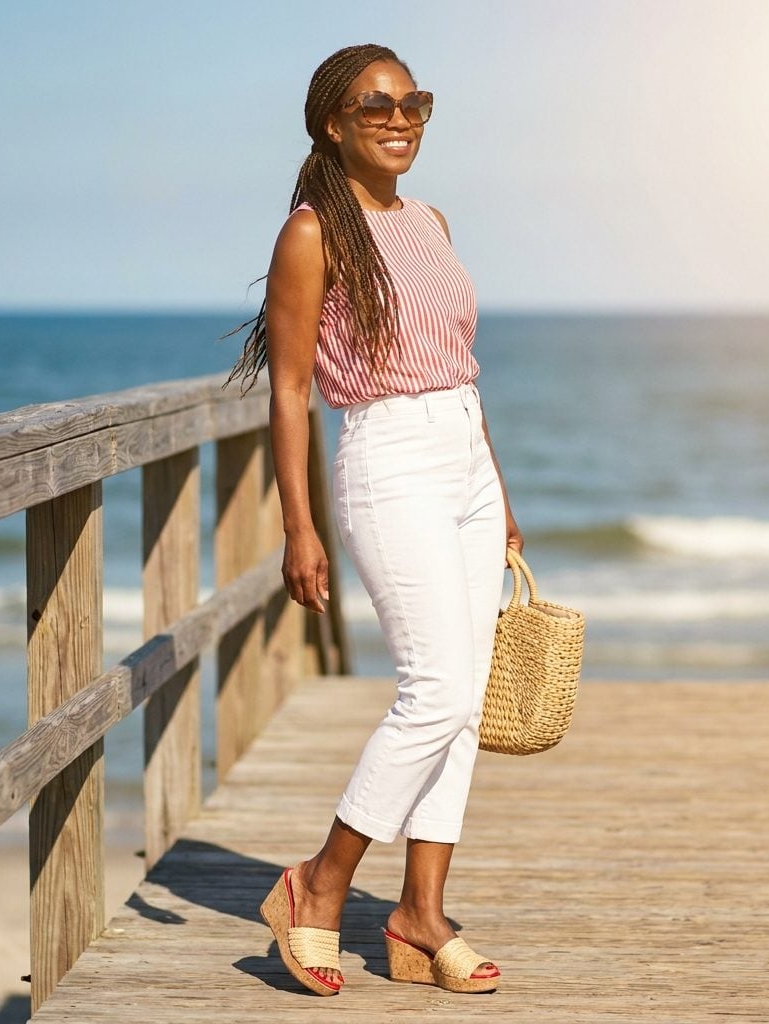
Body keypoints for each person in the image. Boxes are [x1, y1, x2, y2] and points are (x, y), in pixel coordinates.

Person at [226, 42, 523, 997]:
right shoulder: (312, 232)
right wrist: (297, 525)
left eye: (414, 103)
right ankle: (320, 883)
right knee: (433, 686)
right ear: (332, 123)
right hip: (387, 461)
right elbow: (293, 388)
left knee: (464, 701)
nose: (400, 119)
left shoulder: (431, 221)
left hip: (465, 461)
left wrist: (500, 494)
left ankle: (420, 915)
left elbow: (460, 369)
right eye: (376, 105)